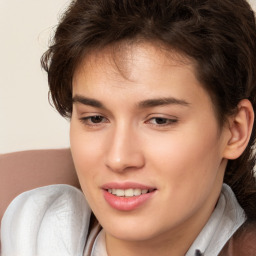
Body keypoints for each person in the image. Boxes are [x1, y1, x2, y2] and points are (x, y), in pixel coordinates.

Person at [1, 0, 256, 255]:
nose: (119, 158)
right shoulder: (30, 228)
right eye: (95, 118)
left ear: (235, 131)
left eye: (159, 120)